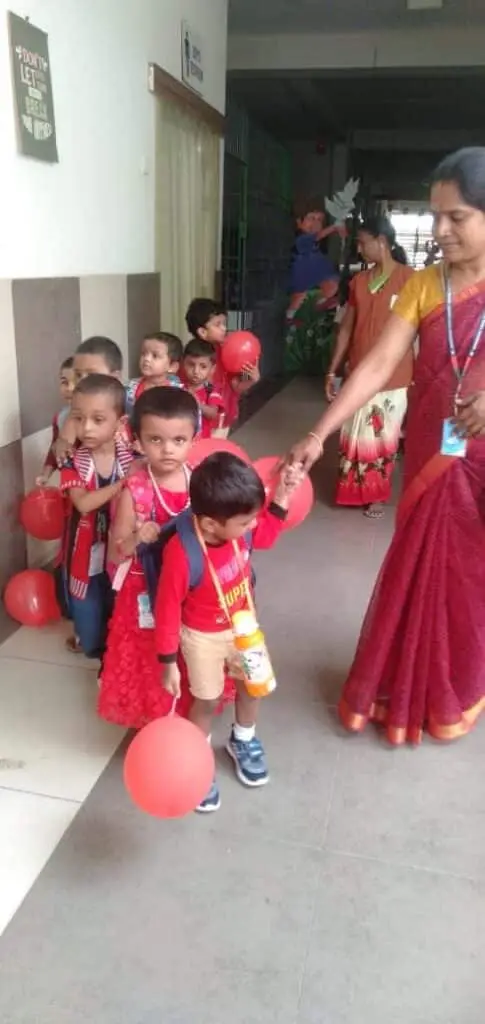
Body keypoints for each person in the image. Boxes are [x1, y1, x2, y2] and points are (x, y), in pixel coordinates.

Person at [288, 146, 485, 746]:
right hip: (432, 448)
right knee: (425, 566)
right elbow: (376, 366)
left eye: (457, 217)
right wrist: (319, 433)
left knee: (472, 575)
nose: (441, 230)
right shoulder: (423, 285)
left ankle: (459, 685)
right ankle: (408, 684)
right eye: (436, 215)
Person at [156, 452, 303, 812]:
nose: (252, 526)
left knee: (252, 685)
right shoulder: (183, 553)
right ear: (209, 525)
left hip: (244, 629)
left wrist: (282, 496)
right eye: (245, 522)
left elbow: (266, 535)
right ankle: (198, 760)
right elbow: (167, 608)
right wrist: (168, 661)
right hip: (202, 637)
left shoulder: (239, 534)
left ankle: (244, 738)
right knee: (206, 701)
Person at [98, 387, 212, 727]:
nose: (167, 450)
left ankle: (187, 711)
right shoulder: (135, 490)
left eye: (179, 440)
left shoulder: (200, 482)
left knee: (190, 648)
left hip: (191, 588)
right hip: (144, 590)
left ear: (194, 439)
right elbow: (117, 548)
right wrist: (137, 537)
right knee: (149, 655)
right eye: (156, 440)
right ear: (137, 440)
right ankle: (153, 718)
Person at [325, 215, 414, 517]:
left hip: (394, 375)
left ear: (382, 242)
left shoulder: (410, 280)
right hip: (358, 372)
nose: (359, 249)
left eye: (363, 243)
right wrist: (333, 369)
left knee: (382, 436)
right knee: (354, 433)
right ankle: (352, 490)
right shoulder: (358, 282)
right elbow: (347, 329)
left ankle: (376, 494)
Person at [60, 374, 132, 659]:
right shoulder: (71, 461)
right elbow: (84, 503)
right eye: (79, 418)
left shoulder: (132, 456)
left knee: (119, 601)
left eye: (98, 419)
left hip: (120, 548)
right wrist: (125, 483)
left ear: (120, 423)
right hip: (85, 550)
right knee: (91, 634)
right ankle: (88, 639)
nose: (86, 428)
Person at [185, 298, 260, 437]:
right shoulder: (191, 356)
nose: (224, 328)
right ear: (202, 332)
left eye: (224, 324)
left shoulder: (228, 352)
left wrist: (252, 380)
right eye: (218, 324)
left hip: (222, 422)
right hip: (197, 423)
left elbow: (236, 387)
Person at [285, 199, 341, 375]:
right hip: (299, 297)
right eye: (311, 218)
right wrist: (334, 228)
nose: (316, 223)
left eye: (319, 220)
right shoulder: (301, 241)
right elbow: (315, 237)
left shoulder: (316, 250)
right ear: (299, 222)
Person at [53, 336, 125, 465]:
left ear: (115, 377)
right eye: (78, 375)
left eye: (92, 375)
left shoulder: (134, 410)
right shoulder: (67, 415)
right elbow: (62, 451)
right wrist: (61, 445)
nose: (82, 381)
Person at [124, 331, 183, 418]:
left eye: (155, 356)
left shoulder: (179, 393)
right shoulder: (129, 388)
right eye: (143, 354)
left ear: (172, 366)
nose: (146, 359)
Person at [36, 356, 75, 486]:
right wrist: (45, 474)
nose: (69, 388)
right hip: (69, 481)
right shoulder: (60, 417)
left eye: (76, 382)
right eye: (64, 382)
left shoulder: (94, 417)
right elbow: (54, 449)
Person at [182, 338, 224, 438]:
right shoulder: (179, 386)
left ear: (212, 369)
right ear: (183, 363)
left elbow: (213, 414)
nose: (196, 371)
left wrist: (198, 404)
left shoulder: (211, 390)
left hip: (202, 440)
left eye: (203, 367)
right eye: (191, 365)